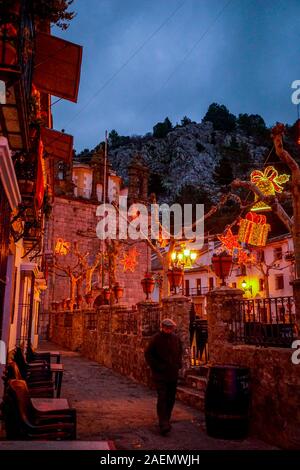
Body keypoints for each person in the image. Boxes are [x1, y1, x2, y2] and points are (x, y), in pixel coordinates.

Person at [144, 318, 182, 435]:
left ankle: (167, 419)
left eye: (170, 328)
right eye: (167, 328)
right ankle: (163, 422)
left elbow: (180, 352)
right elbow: (148, 354)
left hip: (172, 374)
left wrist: (178, 364)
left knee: (170, 398)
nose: (169, 330)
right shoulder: (156, 338)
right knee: (162, 397)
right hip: (160, 375)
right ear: (163, 327)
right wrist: (157, 366)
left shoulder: (176, 339)